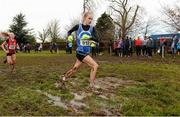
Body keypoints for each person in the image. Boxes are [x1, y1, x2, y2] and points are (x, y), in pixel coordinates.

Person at [59, 11, 99, 89]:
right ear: (84, 18)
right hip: (80, 52)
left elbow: (97, 39)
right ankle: (91, 85)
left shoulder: (92, 28)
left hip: (86, 52)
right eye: (89, 18)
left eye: (92, 19)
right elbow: (69, 32)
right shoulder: (78, 26)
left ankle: (63, 77)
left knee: (75, 69)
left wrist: (90, 38)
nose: (90, 20)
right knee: (95, 65)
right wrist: (69, 37)